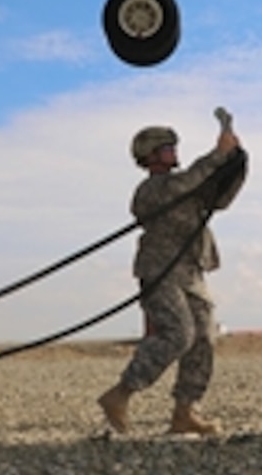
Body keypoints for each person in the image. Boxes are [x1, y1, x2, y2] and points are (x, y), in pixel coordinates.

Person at [97, 118, 247, 435]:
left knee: (204, 338)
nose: (173, 151)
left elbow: (218, 198)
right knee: (178, 334)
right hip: (160, 270)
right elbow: (187, 183)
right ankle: (120, 394)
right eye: (167, 148)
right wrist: (217, 154)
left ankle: (185, 412)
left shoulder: (186, 185)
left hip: (191, 271)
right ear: (150, 155)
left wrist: (236, 162)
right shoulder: (152, 189)